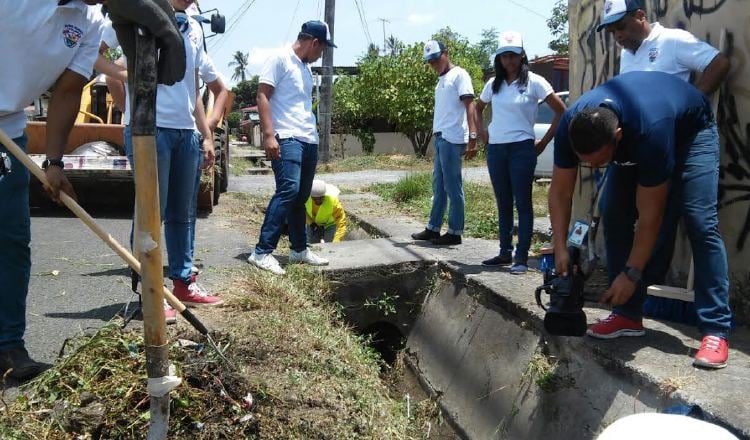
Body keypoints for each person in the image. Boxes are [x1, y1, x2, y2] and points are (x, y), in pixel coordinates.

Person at [549, 71, 732, 368]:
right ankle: (628, 315)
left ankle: (716, 330)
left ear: (617, 136)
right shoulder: (571, 124)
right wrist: (560, 246)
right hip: (636, 128)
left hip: (691, 132)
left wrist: (631, 274)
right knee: (614, 213)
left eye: (597, 160)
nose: (592, 167)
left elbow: (651, 217)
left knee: (700, 221)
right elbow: (560, 193)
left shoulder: (651, 133)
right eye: (586, 161)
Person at [0, 0, 107, 381]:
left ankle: (8, 346)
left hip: (9, 129)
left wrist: (55, 162)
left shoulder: (91, 21)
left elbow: (68, 90)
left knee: (11, 242)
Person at [102, 0, 228, 310]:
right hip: (149, 129)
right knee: (149, 212)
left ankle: (184, 284)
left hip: (186, 132)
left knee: (183, 213)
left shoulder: (194, 27)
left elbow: (192, 88)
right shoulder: (135, 12)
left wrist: (206, 134)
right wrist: (127, 76)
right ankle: (150, 292)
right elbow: (92, 52)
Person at [247, 20, 336, 275]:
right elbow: (262, 95)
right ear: (314, 42)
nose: (321, 55)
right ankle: (262, 251)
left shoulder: (306, 69)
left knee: (301, 197)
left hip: (308, 139)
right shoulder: (280, 59)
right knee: (289, 189)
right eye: (322, 50)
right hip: (286, 137)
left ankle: (298, 249)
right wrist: (268, 135)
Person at [475, 31, 566, 274]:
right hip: (496, 150)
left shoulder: (534, 81)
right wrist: (481, 133)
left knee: (522, 203)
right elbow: (477, 107)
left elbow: (562, 111)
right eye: (504, 56)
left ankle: (521, 257)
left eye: (513, 55)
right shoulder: (493, 84)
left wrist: (544, 142)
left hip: (522, 149)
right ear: (499, 59)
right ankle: (504, 251)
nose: (509, 61)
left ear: (521, 55)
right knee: (503, 202)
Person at [411, 40, 478, 246]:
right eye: (430, 61)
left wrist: (473, 137)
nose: (433, 64)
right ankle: (433, 228)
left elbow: (470, 106)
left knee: (452, 186)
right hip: (441, 137)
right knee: (438, 186)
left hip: (453, 137)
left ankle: (455, 232)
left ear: (446, 54)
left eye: (436, 59)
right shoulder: (441, 80)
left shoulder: (460, 75)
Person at [597, 0, 730, 95]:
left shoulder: (672, 40)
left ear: (640, 16)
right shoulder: (626, 53)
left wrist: (694, 101)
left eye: (621, 27)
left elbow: (719, 63)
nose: (617, 36)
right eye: (612, 32)